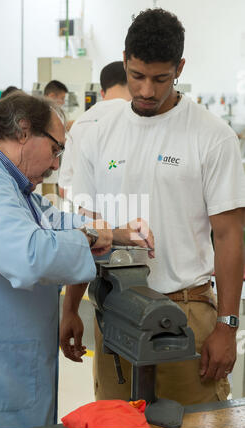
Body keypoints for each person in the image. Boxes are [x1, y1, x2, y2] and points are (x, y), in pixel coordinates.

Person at [60, 8, 245, 406]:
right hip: (116, 312)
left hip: (187, 312)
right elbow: (86, 227)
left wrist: (227, 327)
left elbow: (230, 236)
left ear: (179, 68)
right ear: (125, 59)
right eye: (137, 76)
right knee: (118, 425)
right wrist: (71, 306)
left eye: (160, 79)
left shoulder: (212, 137)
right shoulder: (96, 131)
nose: (146, 90)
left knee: (195, 418)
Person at [0, 91, 113, 428]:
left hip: (12, 364)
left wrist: (116, 232)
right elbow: (29, 254)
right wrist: (92, 238)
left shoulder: (6, 181)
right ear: (23, 131)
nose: (55, 165)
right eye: (55, 150)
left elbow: (48, 219)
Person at [58, 61, 131, 200]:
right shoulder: (136, 121)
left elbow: (63, 189)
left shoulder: (79, 123)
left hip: (85, 216)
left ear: (102, 92)